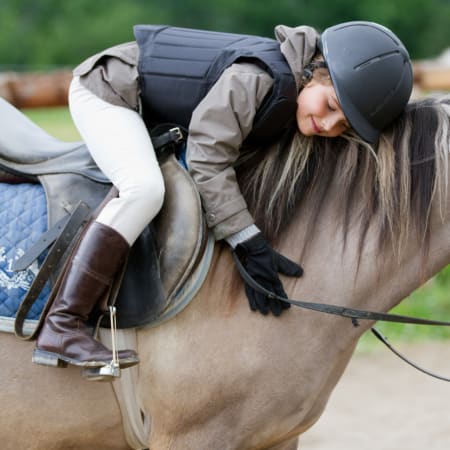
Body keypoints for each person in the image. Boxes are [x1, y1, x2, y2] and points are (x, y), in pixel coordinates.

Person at [32, 21, 413, 372]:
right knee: (144, 189)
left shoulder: (293, 92)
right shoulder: (256, 79)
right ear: (314, 73)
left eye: (341, 124)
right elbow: (207, 157)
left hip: (145, 104)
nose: (327, 125)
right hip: (108, 91)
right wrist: (247, 240)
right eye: (330, 106)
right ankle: (62, 323)